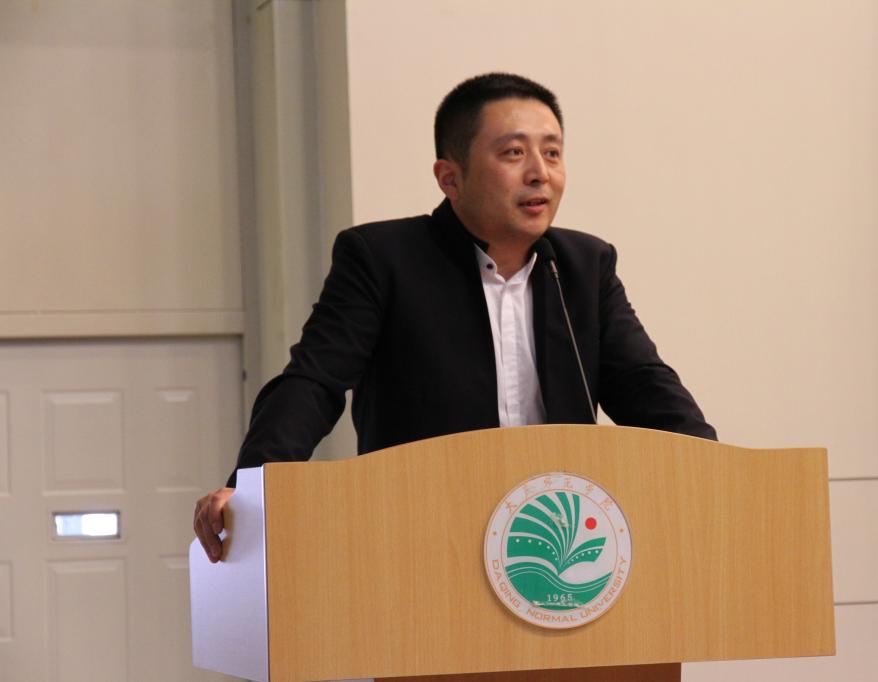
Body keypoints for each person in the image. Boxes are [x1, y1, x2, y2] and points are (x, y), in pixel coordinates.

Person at [194, 72, 716, 562]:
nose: (540, 172)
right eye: (514, 152)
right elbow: (315, 380)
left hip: (561, 547)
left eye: (552, 152)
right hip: (427, 537)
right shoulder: (384, 259)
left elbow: (644, 385)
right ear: (450, 177)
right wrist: (251, 486)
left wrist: (720, 471)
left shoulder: (584, 266)